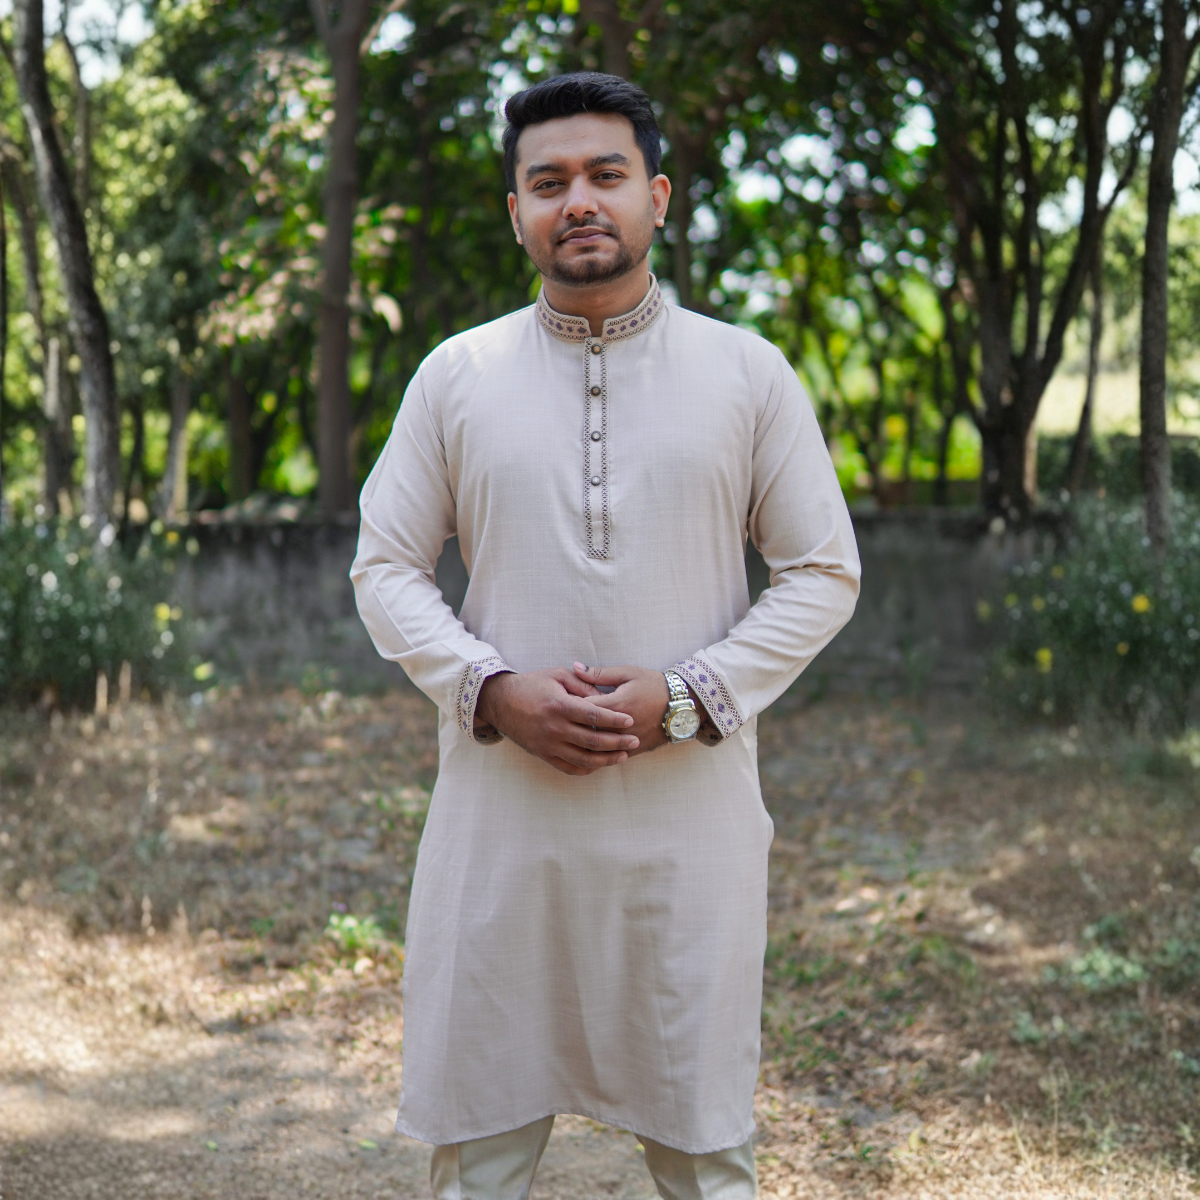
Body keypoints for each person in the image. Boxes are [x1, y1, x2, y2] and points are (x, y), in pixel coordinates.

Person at [351, 71, 860, 1200]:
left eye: (605, 175)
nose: (578, 200)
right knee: (479, 1150)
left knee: (705, 1147)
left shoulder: (746, 372)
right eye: (548, 182)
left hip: (687, 822)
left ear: (656, 197)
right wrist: (491, 690)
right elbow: (384, 566)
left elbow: (824, 570)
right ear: (517, 213)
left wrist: (684, 696)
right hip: (504, 818)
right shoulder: (457, 376)